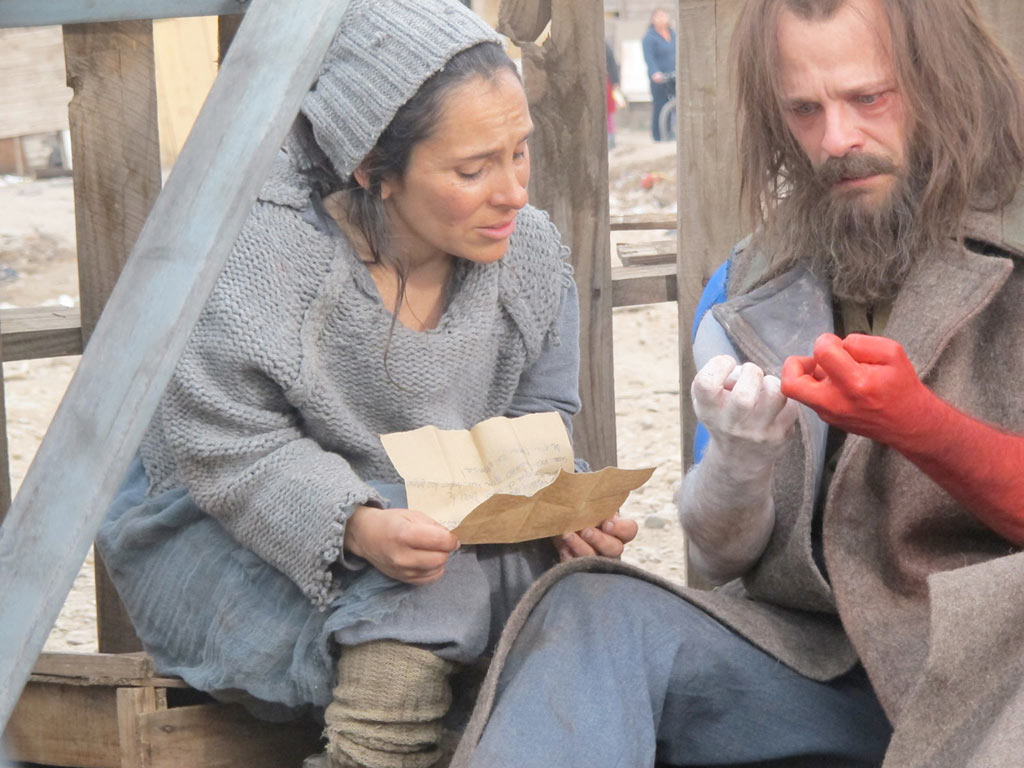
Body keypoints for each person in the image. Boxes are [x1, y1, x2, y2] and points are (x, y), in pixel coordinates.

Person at [450, 0, 1024, 766]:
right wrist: (739, 463)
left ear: (942, 81)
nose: (837, 140)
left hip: (993, 682)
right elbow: (719, 561)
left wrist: (921, 425)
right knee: (591, 611)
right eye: (804, 109)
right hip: (815, 675)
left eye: (868, 98)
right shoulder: (753, 286)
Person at [94, 2, 637, 768]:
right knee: (426, 593)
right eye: (473, 168)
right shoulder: (261, 252)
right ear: (372, 167)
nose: (513, 190)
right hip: (233, 530)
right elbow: (226, 443)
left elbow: (537, 412)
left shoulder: (528, 255)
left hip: (432, 529)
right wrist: (352, 523)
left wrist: (559, 502)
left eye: (520, 152)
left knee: (583, 594)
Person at [642, 8, 676, 142]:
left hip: (674, 75)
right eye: (658, 16)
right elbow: (649, 58)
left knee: (673, 103)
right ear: (653, 19)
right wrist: (655, 72)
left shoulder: (673, 34)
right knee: (660, 104)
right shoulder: (649, 37)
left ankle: (669, 132)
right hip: (659, 78)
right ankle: (657, 135)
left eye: (664, 16)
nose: (662, 19)